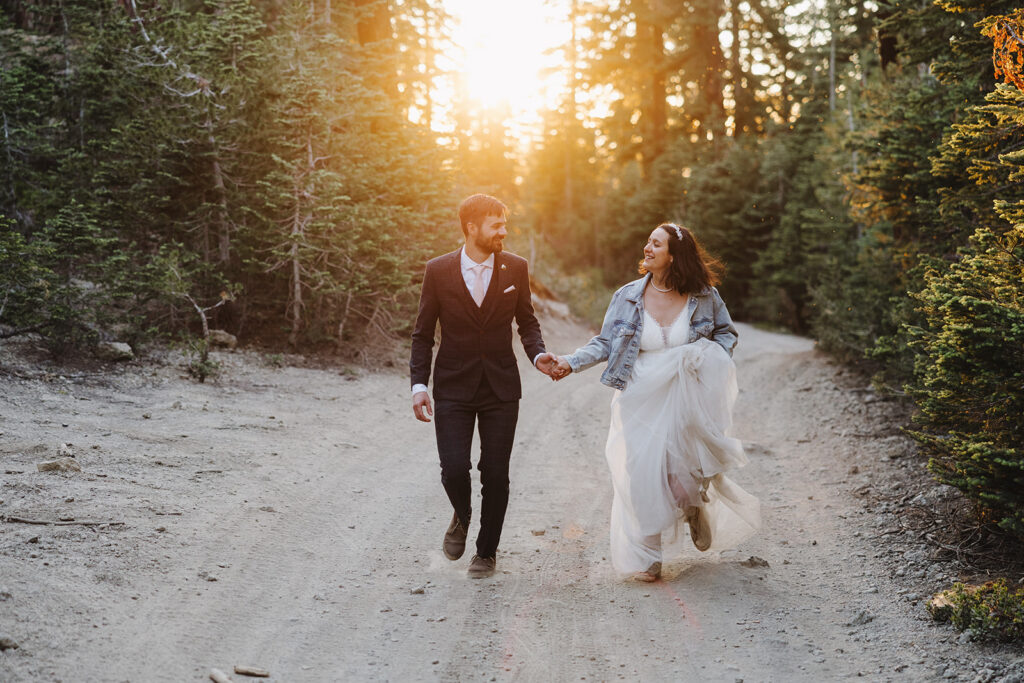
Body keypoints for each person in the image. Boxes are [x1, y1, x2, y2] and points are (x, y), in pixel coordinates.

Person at [551, 223, 760, 581]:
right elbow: (605, 342)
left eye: (656, 244)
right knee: (642, 476)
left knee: (681, 481)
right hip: (638, 396)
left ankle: (692, 507)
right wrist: (570, 362)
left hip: (685, 395)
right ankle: (649, 557)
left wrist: (706, 357)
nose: (646, 248)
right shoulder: (628, 295)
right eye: (648, 241)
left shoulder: (704, 295)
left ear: (674, 255)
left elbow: (726, 333)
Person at [410, 194, 558, 579]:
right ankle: (462, 514)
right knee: (454, 469)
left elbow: (527, 322)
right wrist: (417, 385)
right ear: (472, 227)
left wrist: (538, 354)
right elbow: (423, 334)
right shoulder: (438, 270)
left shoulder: (516, 268)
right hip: (453, 387)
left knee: (495, 473)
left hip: (501, 387)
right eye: (496, 225)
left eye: (504, 224)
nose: (503, 232)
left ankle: (486, 552)